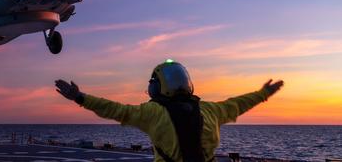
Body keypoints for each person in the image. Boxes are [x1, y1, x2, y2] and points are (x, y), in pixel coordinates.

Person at [55, 59, 284, 162]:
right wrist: (263, 93)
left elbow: (116, 110)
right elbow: (240, 103)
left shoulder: (152, 113)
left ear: (157, 86)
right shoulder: (212, 110)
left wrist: (79, 97)